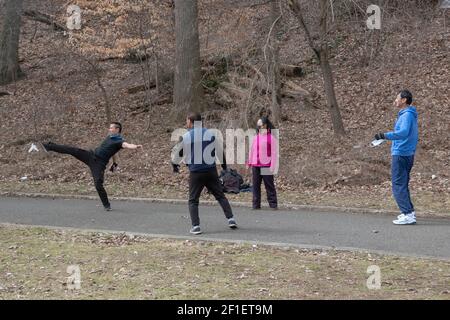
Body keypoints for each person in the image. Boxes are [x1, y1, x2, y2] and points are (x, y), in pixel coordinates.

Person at [39, 122, 143, 211]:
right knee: (72, 150)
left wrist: (135, 146)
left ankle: (106, 205)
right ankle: (49, 146)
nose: (109, 129)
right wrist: (115, 163)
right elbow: (113, 152)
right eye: (110, 127)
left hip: (99, 164)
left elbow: (126, 145)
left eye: (111, 127)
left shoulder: (120, 141)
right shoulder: (110, 137)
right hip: (91, 156)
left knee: (98, 184)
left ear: (117, 129)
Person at [171, 112, 237, 235]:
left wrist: (175, 165)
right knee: (220, 196)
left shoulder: (186, 136)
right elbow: (219, 150)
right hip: (211, 170)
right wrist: (224, 166)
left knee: (193, 200)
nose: (186, 123)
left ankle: (196, 226)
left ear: (191, 122)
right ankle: (231, 219)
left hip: (196, 172)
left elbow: (178, 153)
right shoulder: (210, 134)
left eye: (187, 121)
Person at [374, 90, 418, 225]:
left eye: (397, 98)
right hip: (406, 153)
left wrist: (384, 135)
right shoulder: (409, 114)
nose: (395, 100)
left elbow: (403, 133)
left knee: (398, 184)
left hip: (401, 153)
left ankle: (408, 214)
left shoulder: (406, 116)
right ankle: (409, 212)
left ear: (404, 100)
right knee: (402, 184)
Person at [247, 116, 278, 210]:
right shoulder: (255, 137)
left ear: (266, 125)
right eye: (259, 125)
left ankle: (273, 205)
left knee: (269, 186)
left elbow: (274, 153)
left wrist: (273, 165)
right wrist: (249, 162)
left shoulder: (271, 138)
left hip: (266, 165)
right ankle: (256, 205)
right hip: (255, 165)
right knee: (255, 186)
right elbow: (251, 150)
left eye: (261, 125)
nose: (260, 127)